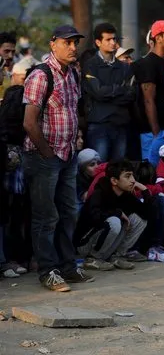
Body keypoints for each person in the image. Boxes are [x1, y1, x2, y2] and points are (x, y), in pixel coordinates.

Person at [22, 25, 94, 292]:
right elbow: (29, 122)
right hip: (45, 157)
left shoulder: (72, 74)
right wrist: (47, 153)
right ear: (53, 44)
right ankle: (47, 271)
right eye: (68, 42)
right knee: (45, 217)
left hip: (68, 155)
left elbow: (74, 111)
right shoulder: (40, 76)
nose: (73, 47)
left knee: (69, 212)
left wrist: (76, 139)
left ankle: (67, 266)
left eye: (76, 42)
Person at [75, 160, 152, 271]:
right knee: (114, 221)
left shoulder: (126, 195)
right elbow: (95, 217)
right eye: (128, 176)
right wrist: (118, 213)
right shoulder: (100, 193)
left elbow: (146, 214)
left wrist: (145, 191)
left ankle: (116, 256)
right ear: (114, 180)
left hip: (106, 243)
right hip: (85, 244)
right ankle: (92, 259)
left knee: (139, 220)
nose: (133, 181)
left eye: (133, 176)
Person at [83, 23, 137, 162]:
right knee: (99, 169)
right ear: (98, 42)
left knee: (119, 170)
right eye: (108, 39)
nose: (113, 43)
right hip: (99, 125)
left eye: (114, 39)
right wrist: (119, 89)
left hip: (121, 125)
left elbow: (130, 94)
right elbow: (98, 92)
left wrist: (107, 94)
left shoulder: (125, 67)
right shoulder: (90, 65)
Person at [133, 20, 164, 165]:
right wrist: (156, 133)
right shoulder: (148, 64)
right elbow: (148, 100)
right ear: (158, 38)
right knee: (152, 174)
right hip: (156, 132)